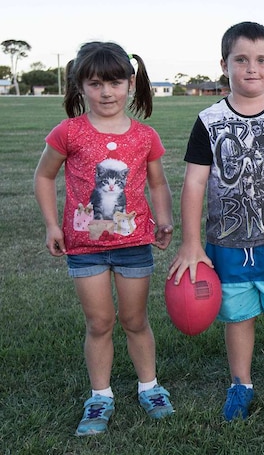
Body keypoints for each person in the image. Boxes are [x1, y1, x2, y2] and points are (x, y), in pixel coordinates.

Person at [168, 22, 264, 421]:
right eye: (241, 60)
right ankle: (241, 383)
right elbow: (196, 181)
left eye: (261, 60)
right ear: (224, 64)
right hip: (227, 242)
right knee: (238, 316)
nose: (251, 68)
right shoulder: (209, 119)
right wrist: (191, 243)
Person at [34, 42, 175, 436]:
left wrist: (163, 219)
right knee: (99, 322)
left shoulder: (144, 135)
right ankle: (100, 396)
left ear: (130, 83)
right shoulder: (69, 132)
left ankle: (150, 387)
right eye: (96, 84)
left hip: (133, 246)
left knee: (134, 320)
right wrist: (52, 224)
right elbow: (43, 176)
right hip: (85, 248)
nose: (107, 92)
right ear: (80, 86)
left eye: (115, 82)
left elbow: (157, 182)